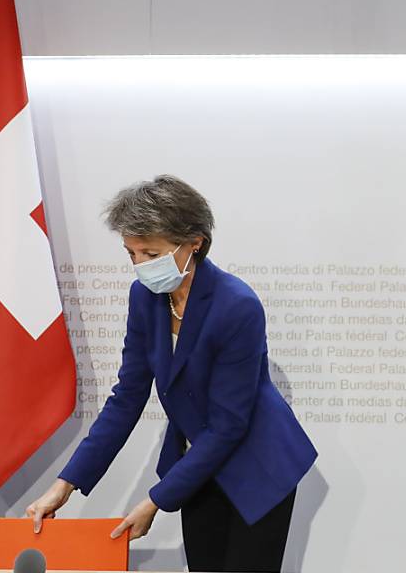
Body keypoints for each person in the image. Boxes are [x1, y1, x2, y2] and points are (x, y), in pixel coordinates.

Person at [26, 175, 317, 573]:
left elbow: (229, 424)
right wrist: (66, 485)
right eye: (131, 253)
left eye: (151, 253)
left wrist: (156, 501)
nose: (140, 266)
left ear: (193, 242)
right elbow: (126, 398)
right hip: (199, 464)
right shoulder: (144, 298)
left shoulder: (237, 305)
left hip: (258, 464)